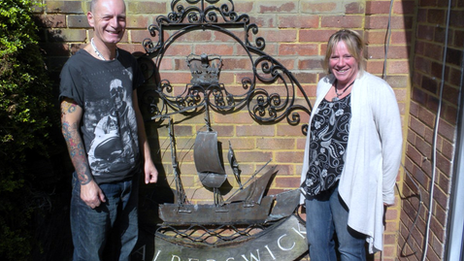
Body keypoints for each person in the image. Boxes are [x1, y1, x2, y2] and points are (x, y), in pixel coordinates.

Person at [59, 0, 158, 260]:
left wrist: (147, 159)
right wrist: (86, 182)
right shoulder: (76, 68)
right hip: (98, 187)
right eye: (107, 17)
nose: (115, 24)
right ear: (91, 19)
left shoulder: (127, 62)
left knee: (124, 253)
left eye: (121, 18)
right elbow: (69, 127)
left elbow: (135, 113)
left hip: (130, 181)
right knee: (90, 256)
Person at [299, 29, 402, 261]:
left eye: (347, 56)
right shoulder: (324, 84)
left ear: (360, 55)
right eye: (335, 57)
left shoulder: (377, 90)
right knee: (317, 246)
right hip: (317, 182)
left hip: (352, 184)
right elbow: (315, 139)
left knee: (350, 251)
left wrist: (386, 192)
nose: (340, 63)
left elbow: (393, 144)